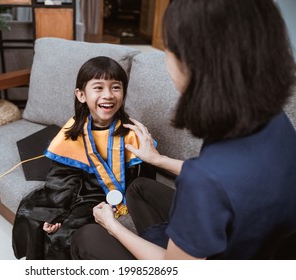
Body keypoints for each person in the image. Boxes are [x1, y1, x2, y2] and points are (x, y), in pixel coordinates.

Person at [70, 0, 296, 260]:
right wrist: (158, 159)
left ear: (193, 62)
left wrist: (112, 226)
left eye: (168, 49)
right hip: (255, 246)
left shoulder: (202, 182)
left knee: (86, 236)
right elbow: (234, 182)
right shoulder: (272, 117)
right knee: (140, 187)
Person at [12, 56, 155, 259]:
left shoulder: (132, 132)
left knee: (65, 237)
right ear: (81, 95)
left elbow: (146, 177)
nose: (108, 95)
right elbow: (63, 176)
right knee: (33, 214)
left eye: (116, 87)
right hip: (83, 191)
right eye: (98, 88)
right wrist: (58, 212)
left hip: (117, 195)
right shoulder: (74, 129)